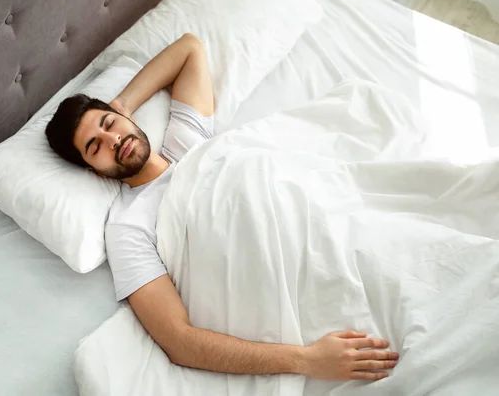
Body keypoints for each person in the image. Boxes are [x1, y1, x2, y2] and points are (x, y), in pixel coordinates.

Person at [45, 33, 399, 381]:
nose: (114, 139)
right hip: (289, 282)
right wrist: (307, 360)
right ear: (94, 171)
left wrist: (121, 103)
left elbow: (189, 49)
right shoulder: (125, 227)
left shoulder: (186, 139)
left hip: (327, 221)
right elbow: (178, 340)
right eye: (96, 147)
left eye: (109, 125)